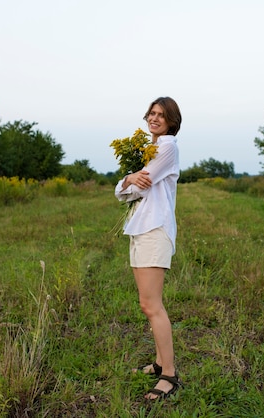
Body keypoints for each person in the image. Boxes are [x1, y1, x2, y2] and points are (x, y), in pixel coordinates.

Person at [114, 97, 183, 400]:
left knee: (151, 305)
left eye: (161, 115)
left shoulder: (166, 146)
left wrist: (130, 181)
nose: (155, 118)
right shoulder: (148, 151)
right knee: (147, 304)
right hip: (141, 230)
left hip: (155, 229)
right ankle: (158, 364)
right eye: (152, 113)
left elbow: (140, 185)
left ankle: (169, 374)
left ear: (171, 121)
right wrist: (128, 177)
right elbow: (123, 192)